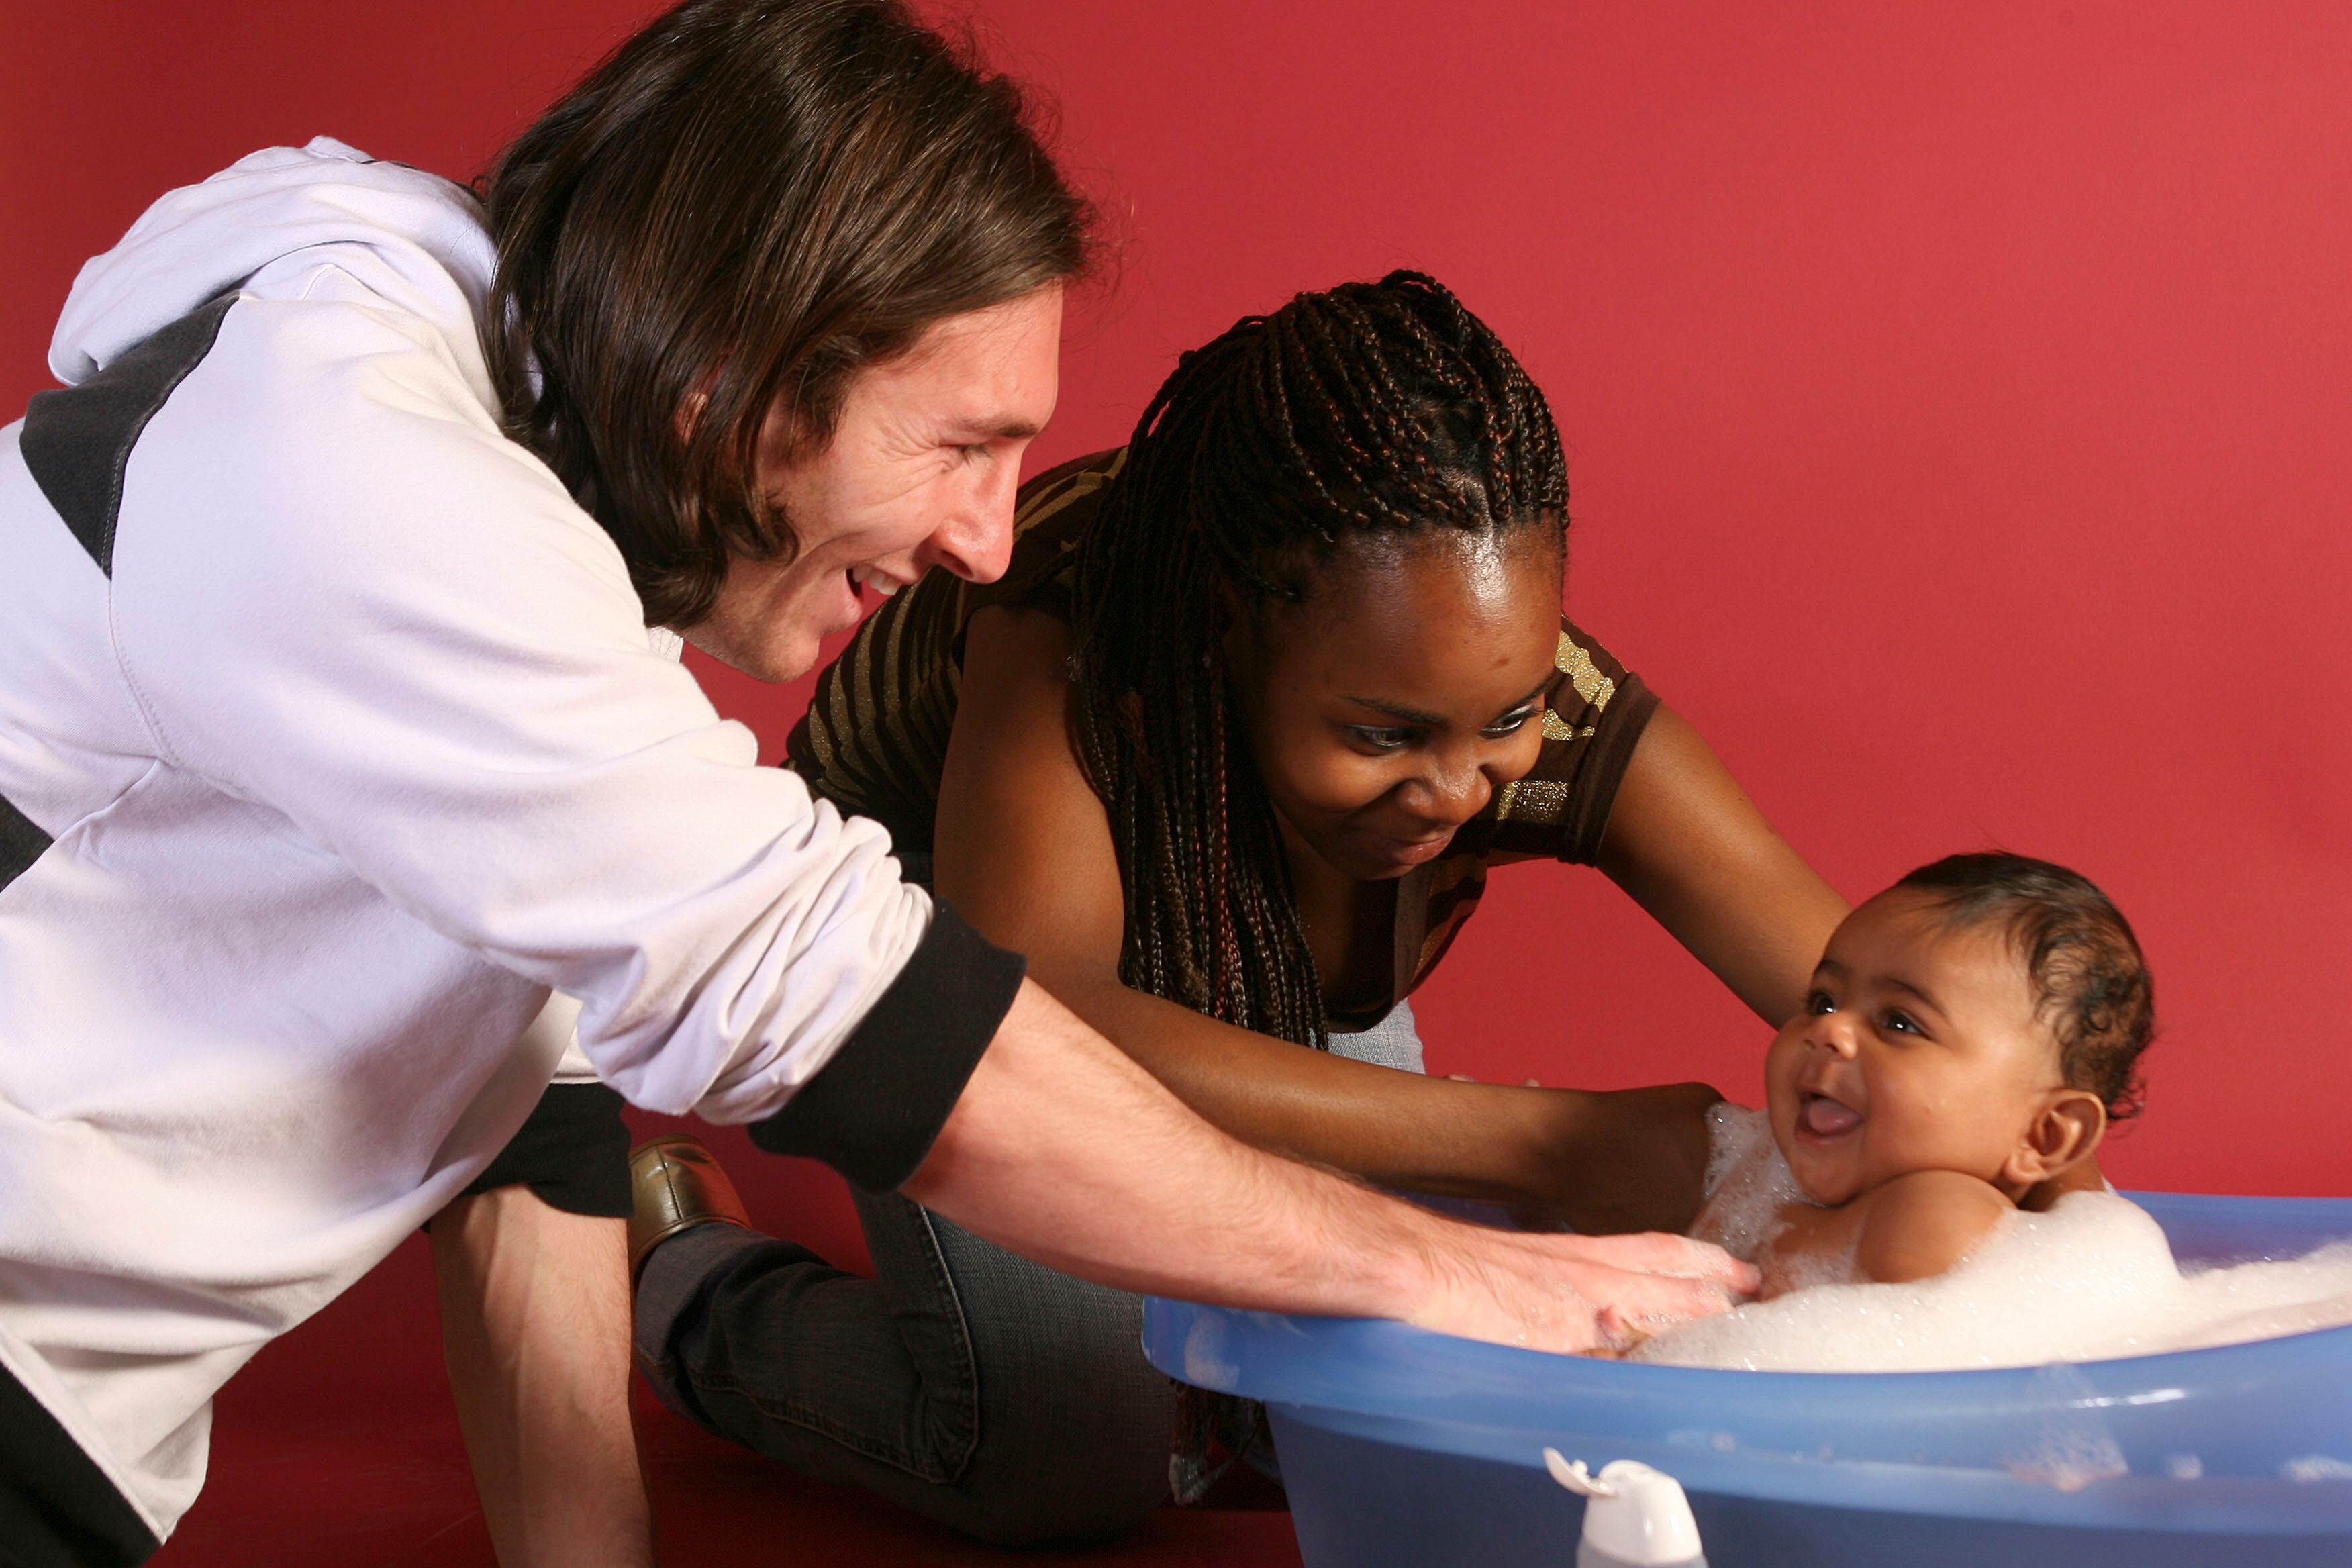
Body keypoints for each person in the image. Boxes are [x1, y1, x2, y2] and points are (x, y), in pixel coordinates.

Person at [0, 7, 1753, 1567]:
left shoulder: (491, 517)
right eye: (963, 446)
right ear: (733, 393)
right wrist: (1449, 1268)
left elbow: (510, 1128)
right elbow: (836, 1009)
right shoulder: (353, 476)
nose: (987, 538)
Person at [629, 271, 1849, 1545]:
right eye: (1382, 732)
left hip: (1232, 963)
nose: (1453, 786)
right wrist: (1546, 1144)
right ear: (1227, 635)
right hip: (946, 949)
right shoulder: (1068, 629)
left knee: (1384, 1371)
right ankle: (693, 1286)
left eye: (1505, 715)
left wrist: (2012, 1108)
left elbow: (1875, 993)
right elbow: (1037, 1022)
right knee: (1068, 1447)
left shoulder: (1510, 703)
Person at [1694, 852, 2155, 1300]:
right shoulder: (1776, 1177)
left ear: (2043, 1136)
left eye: (1900, 1022)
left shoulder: (1941, 1217)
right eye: (1823, 1001)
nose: (1827, 1029)